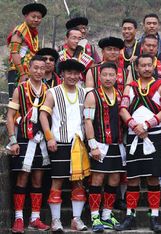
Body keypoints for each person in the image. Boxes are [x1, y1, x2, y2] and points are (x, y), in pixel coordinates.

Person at [116, 54, 161, 232]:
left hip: (153, 136)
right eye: (143, 66)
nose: (147, 68)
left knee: (153, 177)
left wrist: (147, 125)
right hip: (133, 136)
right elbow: (123, 109)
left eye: (149, 65)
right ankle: (130, 217)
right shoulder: (129, 87)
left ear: (154, 66)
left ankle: (153, 217)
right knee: (132, 178)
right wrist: (133, 125)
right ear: (137, 68)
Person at [39, 59, 90, 232]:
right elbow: (43, 116)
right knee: (57, 181)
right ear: (62, 74)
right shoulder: (53, 92)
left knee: (78, 182)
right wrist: (49, 137)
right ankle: (55, 220)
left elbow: (88, 119)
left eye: (76, 73)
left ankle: (76, 219)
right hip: (59, 142)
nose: (73, 76)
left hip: (79, 144)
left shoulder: (84, 93)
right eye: (69, 73)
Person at [6, 55, 50, 233]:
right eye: (36, 68)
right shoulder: (20, 89)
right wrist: (13, 140)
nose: (39, 71)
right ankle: (18, 218)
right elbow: (10, 116)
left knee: (38, 179)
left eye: (42, 68)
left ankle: (35, 218)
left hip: (41, 140)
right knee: (22, 177)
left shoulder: (49, 90)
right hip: (24, 138)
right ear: (29, 69)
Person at [84, 62, 126, 232]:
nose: (108, 78)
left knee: (115, 179)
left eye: (111, 75)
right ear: (99, 77)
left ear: (116, 77)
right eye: (105, 75)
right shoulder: (92, 95)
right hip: (100, 144)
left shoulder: (121, 94)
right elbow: (87, 120)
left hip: (117, 144)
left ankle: (107, 215)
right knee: (97, 179)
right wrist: (92, 145)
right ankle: (95, 216)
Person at [7, 2, 47, 100]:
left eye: (39, 17)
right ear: (26, 16)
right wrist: (22, 74)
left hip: (31, 72)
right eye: (33, 17)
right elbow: (14, 53)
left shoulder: (34, 33)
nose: (36, 20)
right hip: (18, 72)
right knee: (17, 102)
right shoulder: (19, 31)